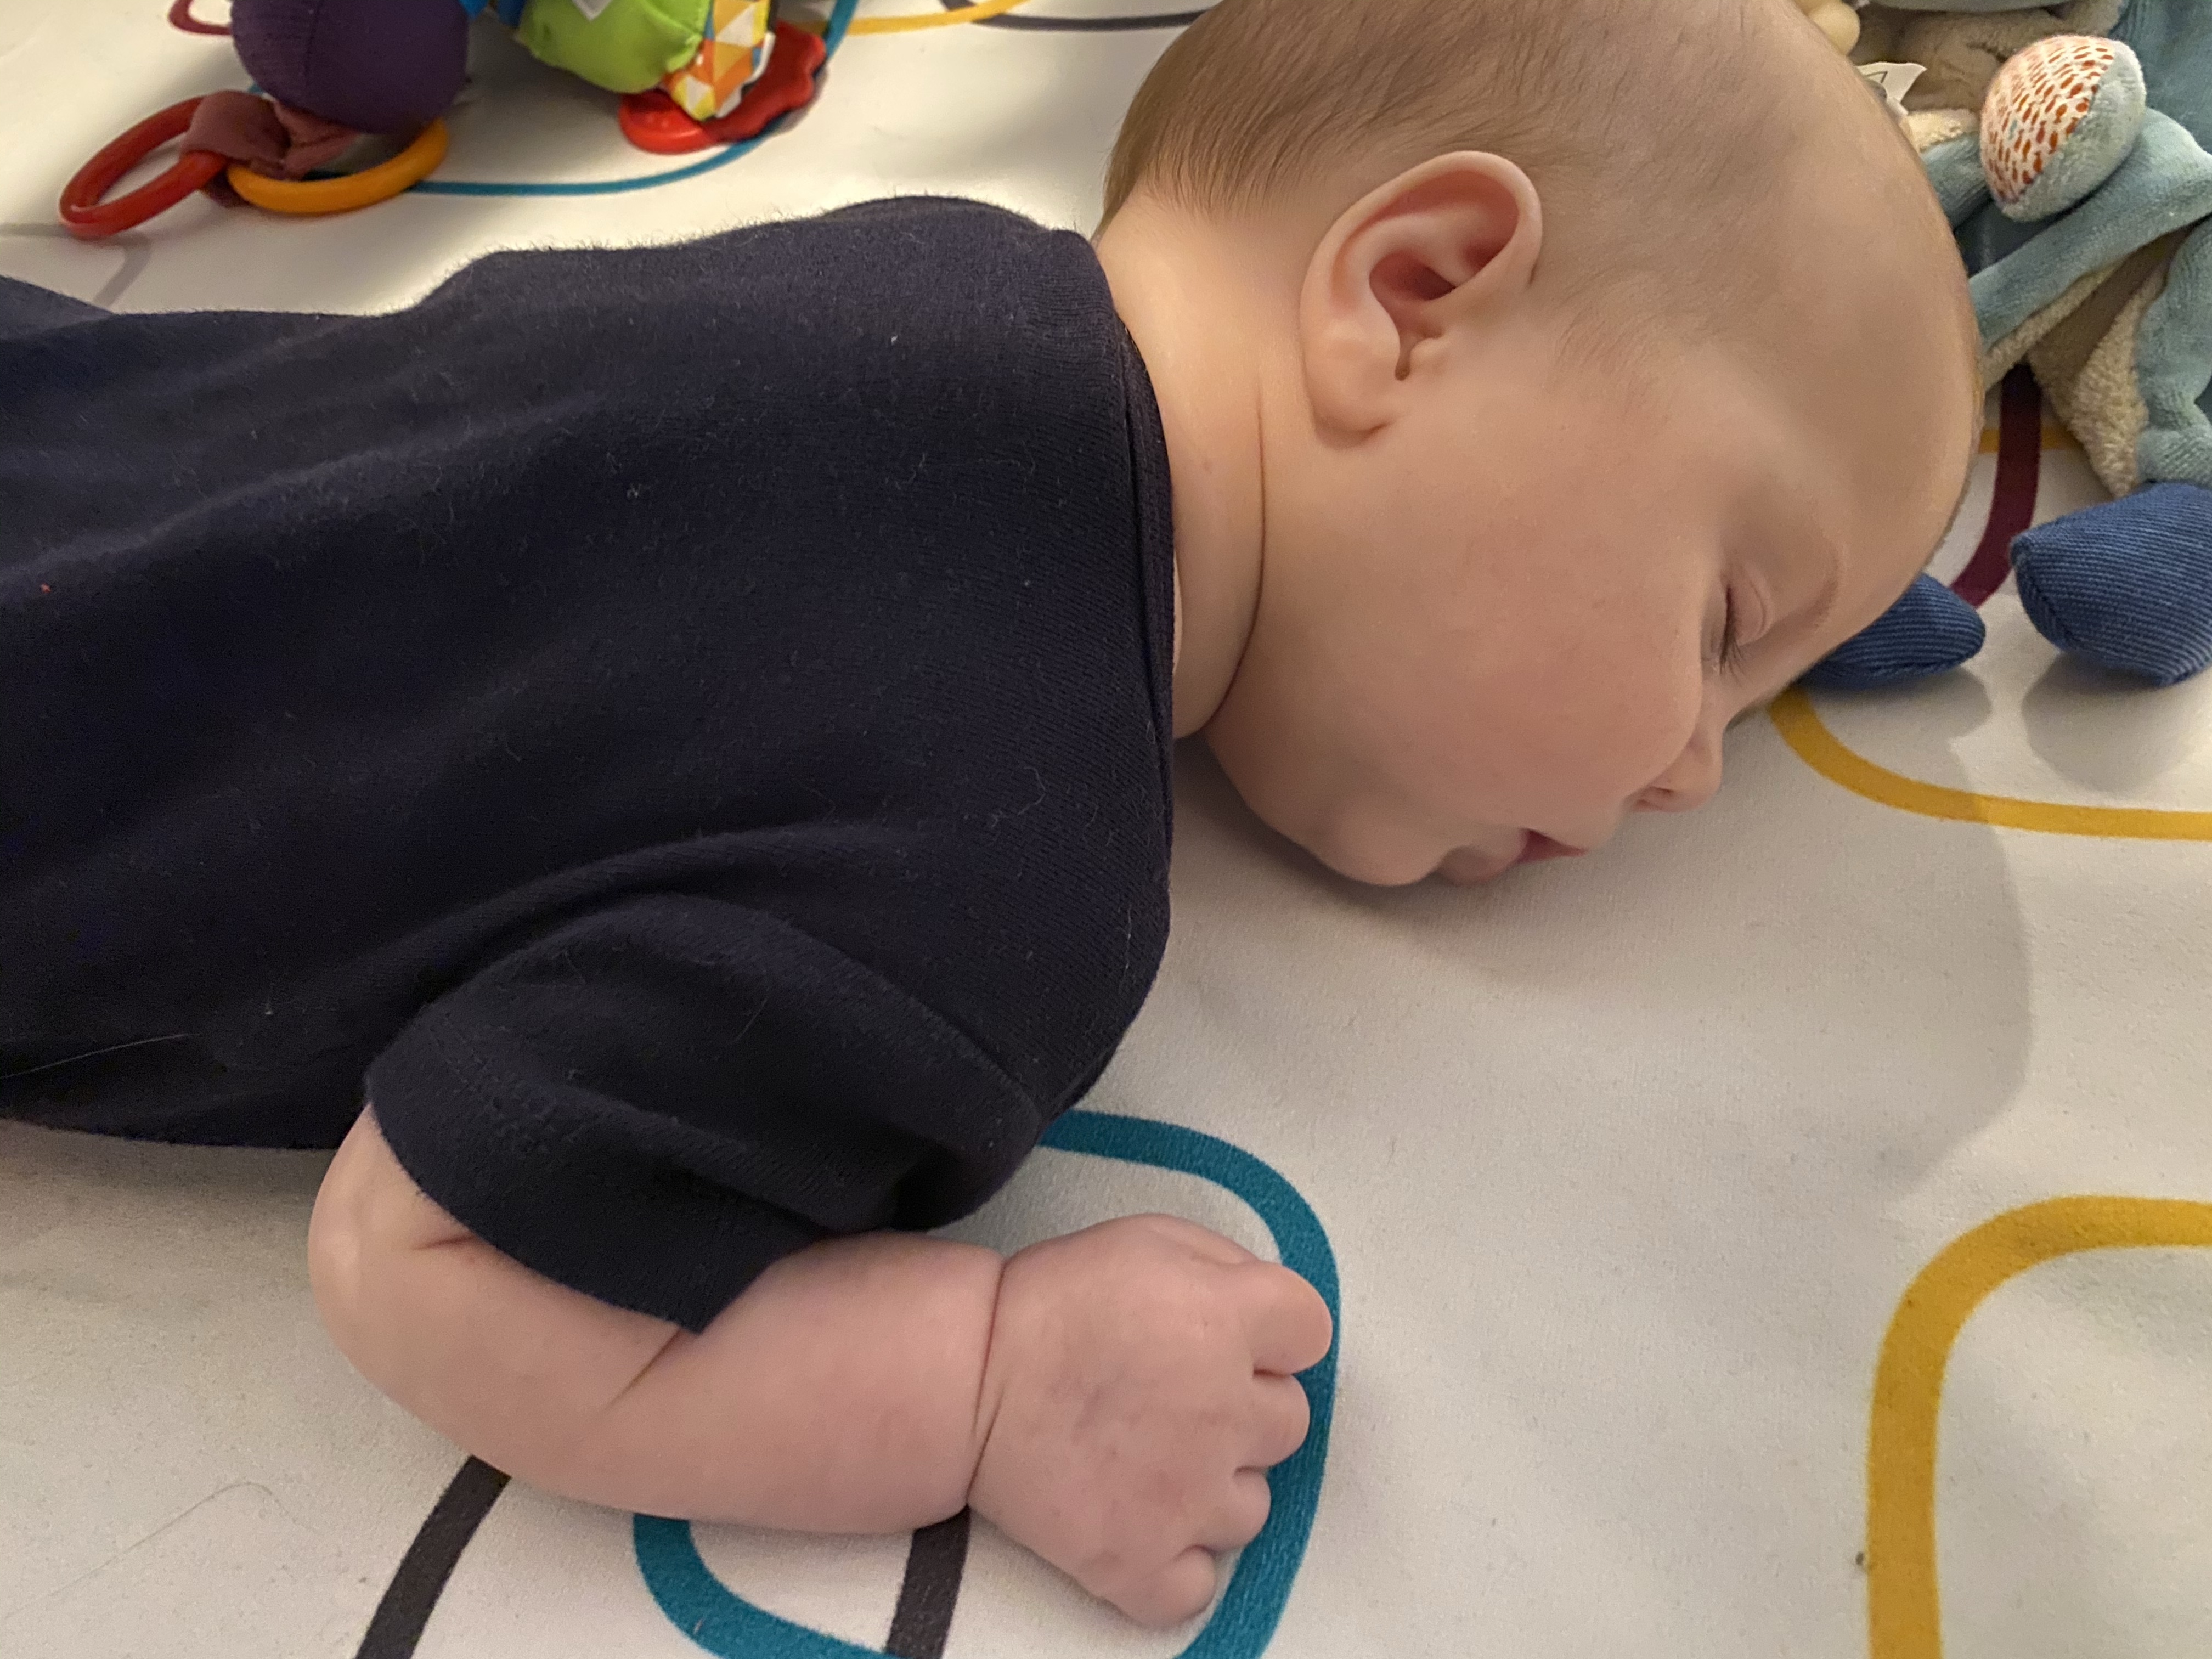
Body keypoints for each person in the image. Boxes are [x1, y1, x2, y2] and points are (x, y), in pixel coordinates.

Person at [0, 0, 1978, 1627]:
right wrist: (983, 1385)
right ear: (1414, 292)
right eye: (1727, 627)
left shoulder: (923, 280)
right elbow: (429, 1255)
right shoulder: (1008, 848)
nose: (1693, 772)